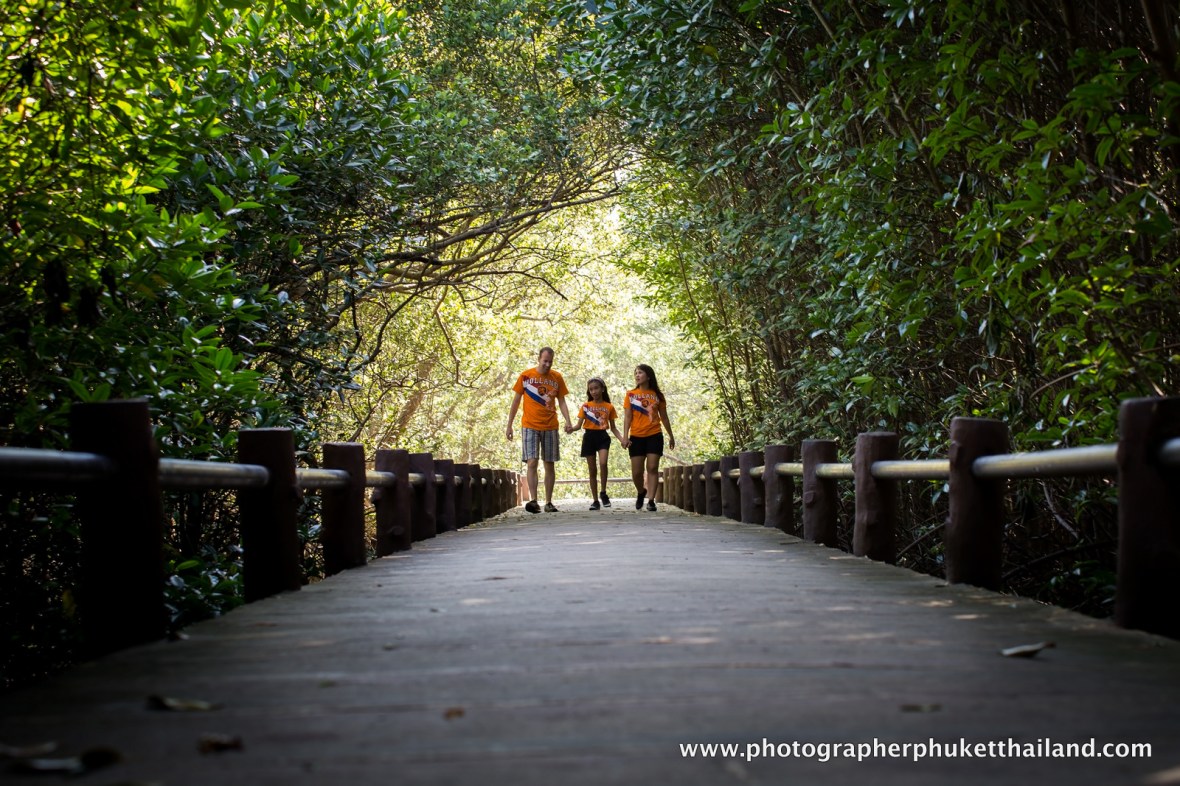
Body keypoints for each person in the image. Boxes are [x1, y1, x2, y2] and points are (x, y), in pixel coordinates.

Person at [506, 347, 572, 513]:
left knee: (549, 464)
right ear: (539, 359)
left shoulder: (557, 378)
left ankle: (549, 502)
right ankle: (534, 501)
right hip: (529, 425)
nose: (548, 364)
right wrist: (509, 425)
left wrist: (568, 420)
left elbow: (562, 401)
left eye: (550, 361)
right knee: (532, 461)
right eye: (545, 361)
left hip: (550, 425)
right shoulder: (526, 376)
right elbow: (516, 401)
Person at [621, 364, 675, 512]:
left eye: (640, 373)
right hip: (636, 436)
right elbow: (627, 417)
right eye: (636, 373)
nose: (637, 375)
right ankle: (641, 491)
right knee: (636, 472)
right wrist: (625, 437)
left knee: (652, 467)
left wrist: (671, 436)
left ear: (648, 376)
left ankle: (651, 500)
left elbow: (664, 417)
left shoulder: (658, 395)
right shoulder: (630, 395)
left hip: (654, 435)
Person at [566, 377, 623, 510]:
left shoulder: (609, 407)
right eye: (591, 389)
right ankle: (595, 500)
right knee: (592, 470)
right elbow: (578, 425)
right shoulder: (586, 407)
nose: (594, 391)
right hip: (589, 437)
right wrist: (571, 429)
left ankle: (603, 492)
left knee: (603, 463)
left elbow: (613, 427)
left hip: (602, 436)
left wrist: (622, 440)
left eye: (596, 388)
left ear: (602, 389)